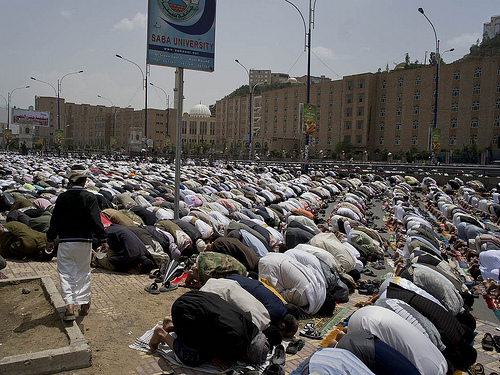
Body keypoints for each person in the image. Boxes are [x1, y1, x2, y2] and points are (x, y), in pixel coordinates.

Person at [46, 164, 109, 321]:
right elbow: (96, 221)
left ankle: (69, 306)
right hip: (84, 242)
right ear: (85, 180)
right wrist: (103, 239)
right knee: (83, 273)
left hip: (66, 242)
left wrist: (50, 239)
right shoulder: (90, 197)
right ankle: (84, 303)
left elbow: (55, 221)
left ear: (70, 180)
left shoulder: (62, 198)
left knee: (65, 273)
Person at [149, 290, 270, 369]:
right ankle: (161, 334)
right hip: (184, 310)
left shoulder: (249, 325)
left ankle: (171, 324)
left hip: (192, 299)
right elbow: (207, 339)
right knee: (193, 357)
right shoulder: (236, 339)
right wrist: (213, 358)